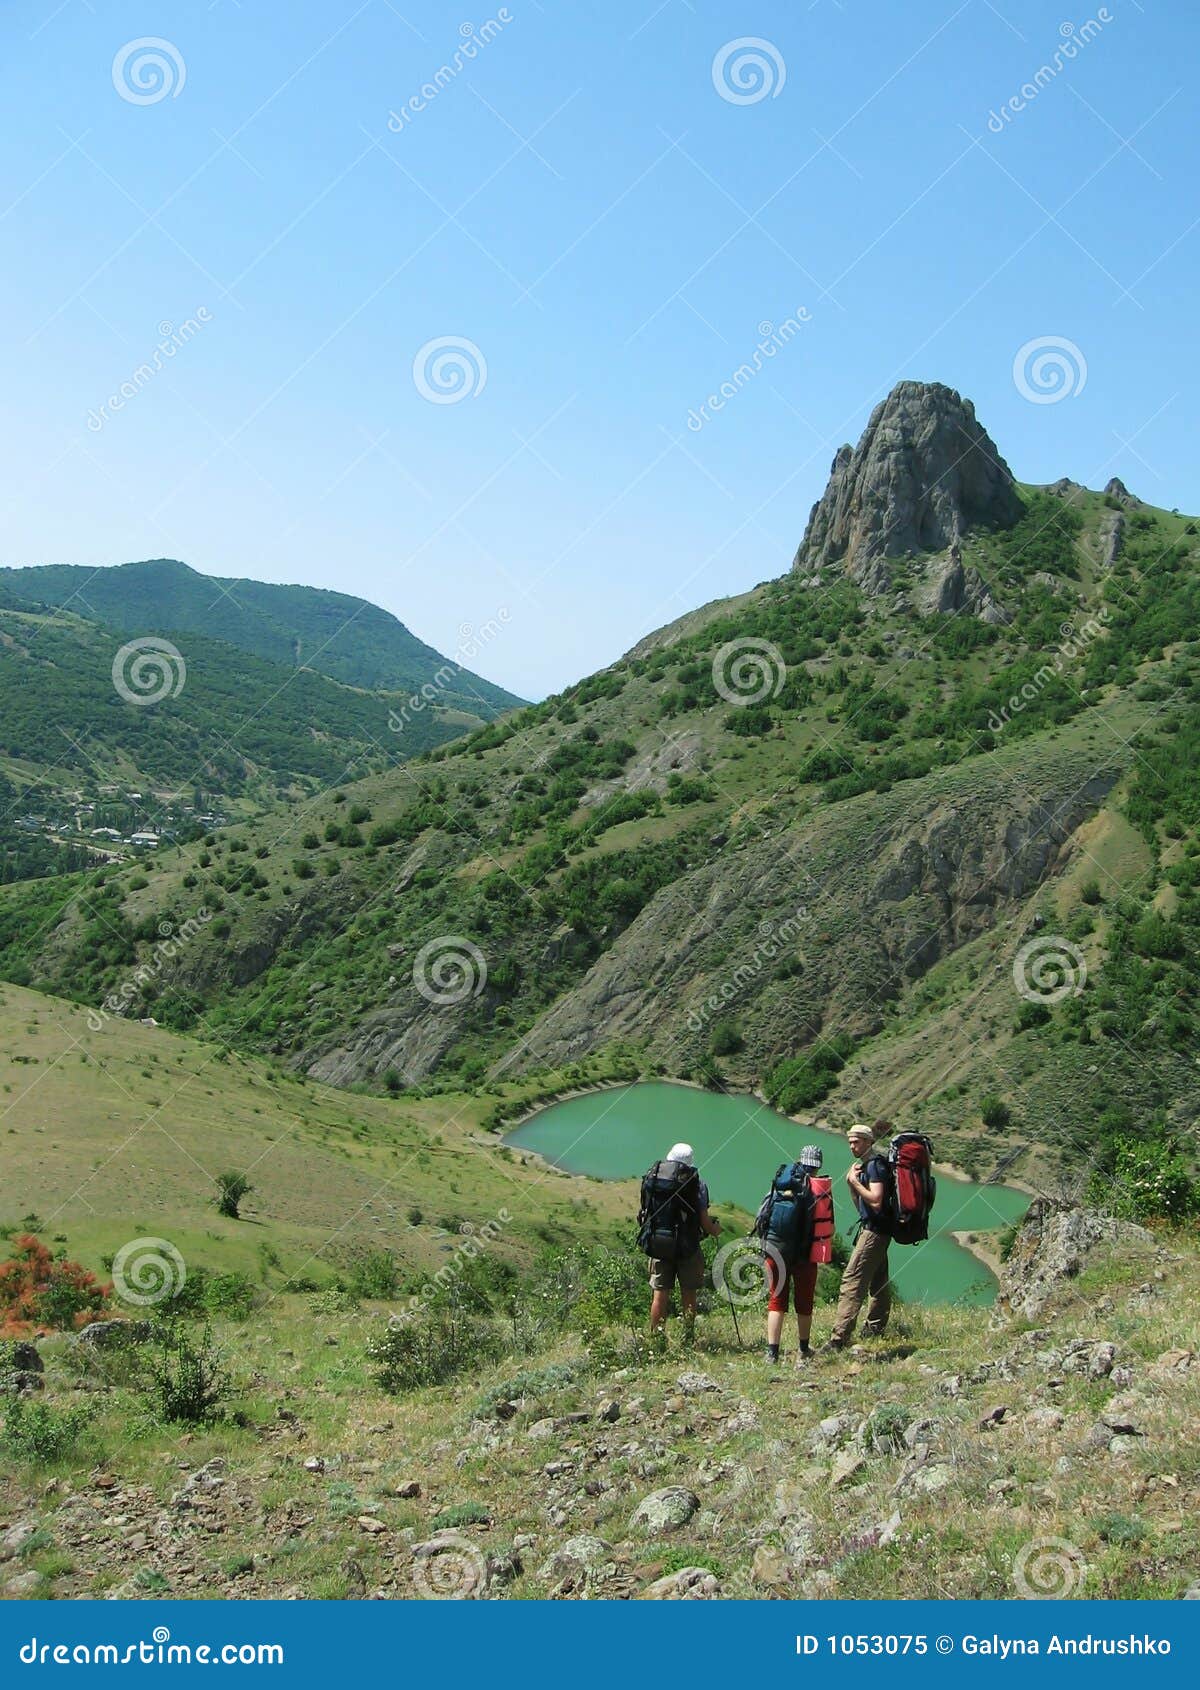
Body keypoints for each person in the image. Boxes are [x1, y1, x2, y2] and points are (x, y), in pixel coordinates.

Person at [761, 1144, 831, 1367]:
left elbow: (763, 1213)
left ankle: (772, 1353)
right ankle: (803, 1350)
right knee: (804, 1302)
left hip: (775, 1250)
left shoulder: (782, 1181)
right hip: (804, 1254)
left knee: (776, 1299)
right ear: (818, 1165)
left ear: (799, 1160)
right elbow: (827, 1228)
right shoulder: (819, 1189)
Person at [825, 1121, 892, 1351]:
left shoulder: (874, 1166)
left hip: (874, 1232)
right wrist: (851, 1185)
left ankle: (839, 1338)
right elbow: (863, 1207)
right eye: (850, 1142)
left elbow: (876, 1200)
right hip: (875, 1228)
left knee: (852, 1280)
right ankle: (875, 1327)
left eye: (856, 1142)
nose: (852, 1146)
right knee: (878, 1280)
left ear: (868, 1142)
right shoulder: (867, 1165)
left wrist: (854, 1181)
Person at [643, 1142, 721, 1334]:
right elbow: (704, 1222)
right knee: (689, 1293)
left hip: (659, 1244)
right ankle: (687, 1336)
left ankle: (656, 1338)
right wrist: (715, 1230)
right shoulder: (697, 1184)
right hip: (688, 1246)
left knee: (659, 1295)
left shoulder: (654, 1178)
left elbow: (645, 1213)